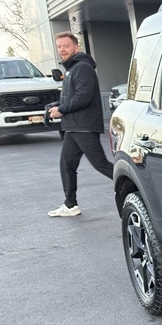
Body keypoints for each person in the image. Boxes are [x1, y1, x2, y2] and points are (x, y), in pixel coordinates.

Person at [47, 32, 114, 217]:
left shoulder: (82, 67)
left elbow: (83, 97)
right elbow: (71, 96)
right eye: (59, 46)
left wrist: (61, 110)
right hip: (74, 127)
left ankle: (138, 188)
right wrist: (56, 105)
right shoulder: (71, 69)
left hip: (83, 126)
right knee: (66, 165)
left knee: (100, 164)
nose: (62, 50)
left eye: (66, 46)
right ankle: (70, 205)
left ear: (76, 47)